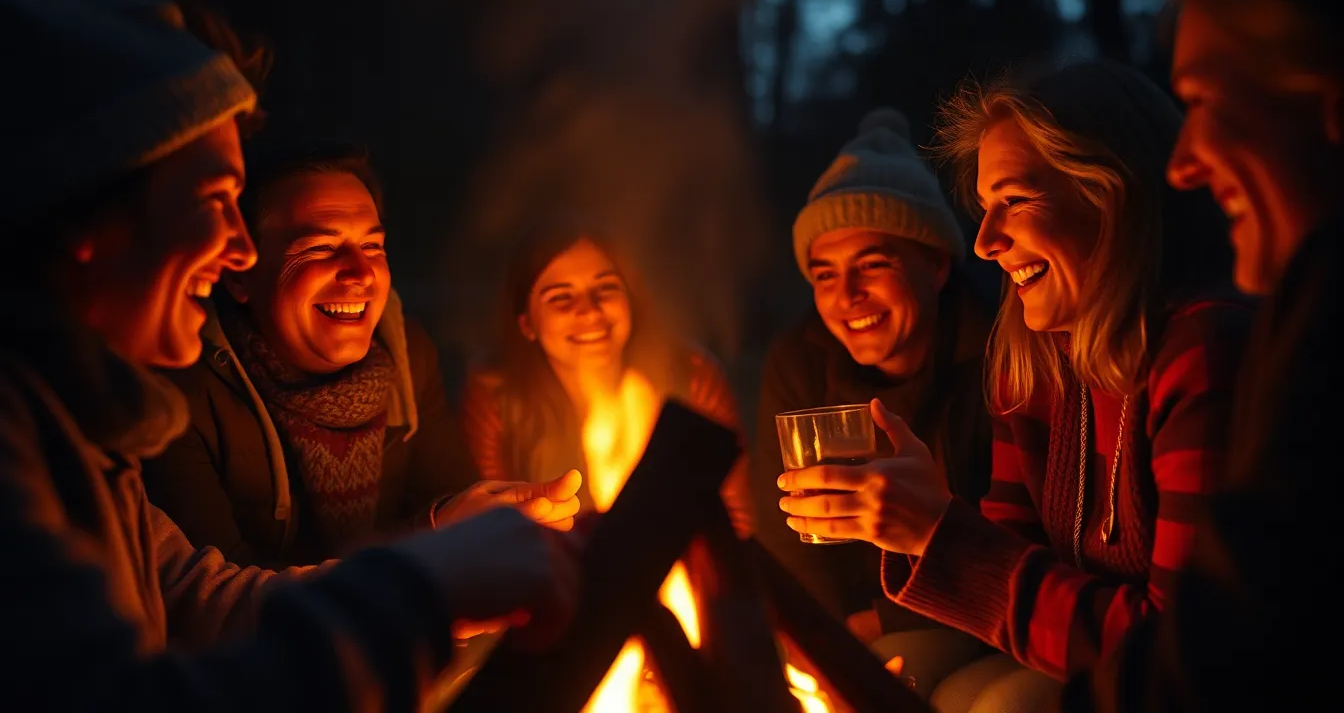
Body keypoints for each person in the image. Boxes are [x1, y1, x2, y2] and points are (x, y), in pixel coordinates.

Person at [0, 0, 577, 710]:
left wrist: (441, 567)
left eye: (373, 244)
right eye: (215, 202)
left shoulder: (86, 437)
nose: (237, 250)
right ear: (90, 216)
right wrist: (424, 582)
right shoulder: (23, 435)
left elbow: (210, 605)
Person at [777, 59, 1253, 712]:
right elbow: (1011, 555)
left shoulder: (1202, 353)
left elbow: (1183, 654)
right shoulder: (1032, 358)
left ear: (1109, 194)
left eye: (1015, 200)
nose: (985, 243)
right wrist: (923, 528)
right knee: (903, 680)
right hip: (1082, 658)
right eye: (983, 209)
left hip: (1183, 684)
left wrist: (936, 532)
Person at [1063, 0, 1344, 710]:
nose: (1182, 164)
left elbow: (1216, 649)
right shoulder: (1034, 364)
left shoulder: (1289, 333)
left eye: (1201, 101)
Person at [143, 142, 579, 568]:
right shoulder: (182, 394)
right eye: (320, 248)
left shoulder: (407, 356)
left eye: (373, 247)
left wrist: (497, 519)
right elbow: (220, 594)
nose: (360, 272)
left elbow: (448, 495)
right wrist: (434, 536)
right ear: (240, 276)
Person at [751, 108, 996, 693]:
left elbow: (1009, 537)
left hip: (975, 614)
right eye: (825, 275)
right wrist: (825, 634)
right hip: (848, 624)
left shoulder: (995, 355)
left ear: (936, 265)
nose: (847, 296)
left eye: (873, 264)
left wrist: (878, 622)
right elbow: (783, 531)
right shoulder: (800, 363)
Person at [461, 219, 753, 536]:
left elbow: (739, 521)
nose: (589, 311)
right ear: (526, 324)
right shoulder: (496, 398)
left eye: (605, 288)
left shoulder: (691, 377)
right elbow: (486, 531)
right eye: (560, 298)